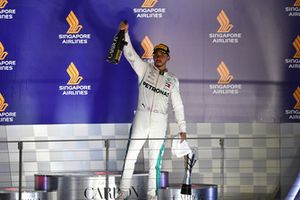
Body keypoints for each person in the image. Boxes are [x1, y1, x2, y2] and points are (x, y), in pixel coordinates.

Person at [116, 21, 187, 200]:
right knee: (130, 156)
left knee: (155, 162)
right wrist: (125, 34)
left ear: (168, 58)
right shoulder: (145, 69)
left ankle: (151, 195)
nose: (158, 57)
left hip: (159, 121)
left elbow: (178, 105)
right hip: (141, 116)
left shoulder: (173, 80)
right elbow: (130, 55)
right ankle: (123, 192)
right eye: (156, 53)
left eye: (162, 54)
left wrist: (182, 128)